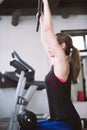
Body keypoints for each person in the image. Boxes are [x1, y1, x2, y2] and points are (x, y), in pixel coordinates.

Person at [38, 0, 82, 130]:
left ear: (62, 46)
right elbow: (45, 39)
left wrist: (45, 2)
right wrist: (41, 22)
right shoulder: (56, 62)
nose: (49, 48)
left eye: (53, 45)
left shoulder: (62, 62)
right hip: (58, 120)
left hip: (67, 122)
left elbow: (49, 32)